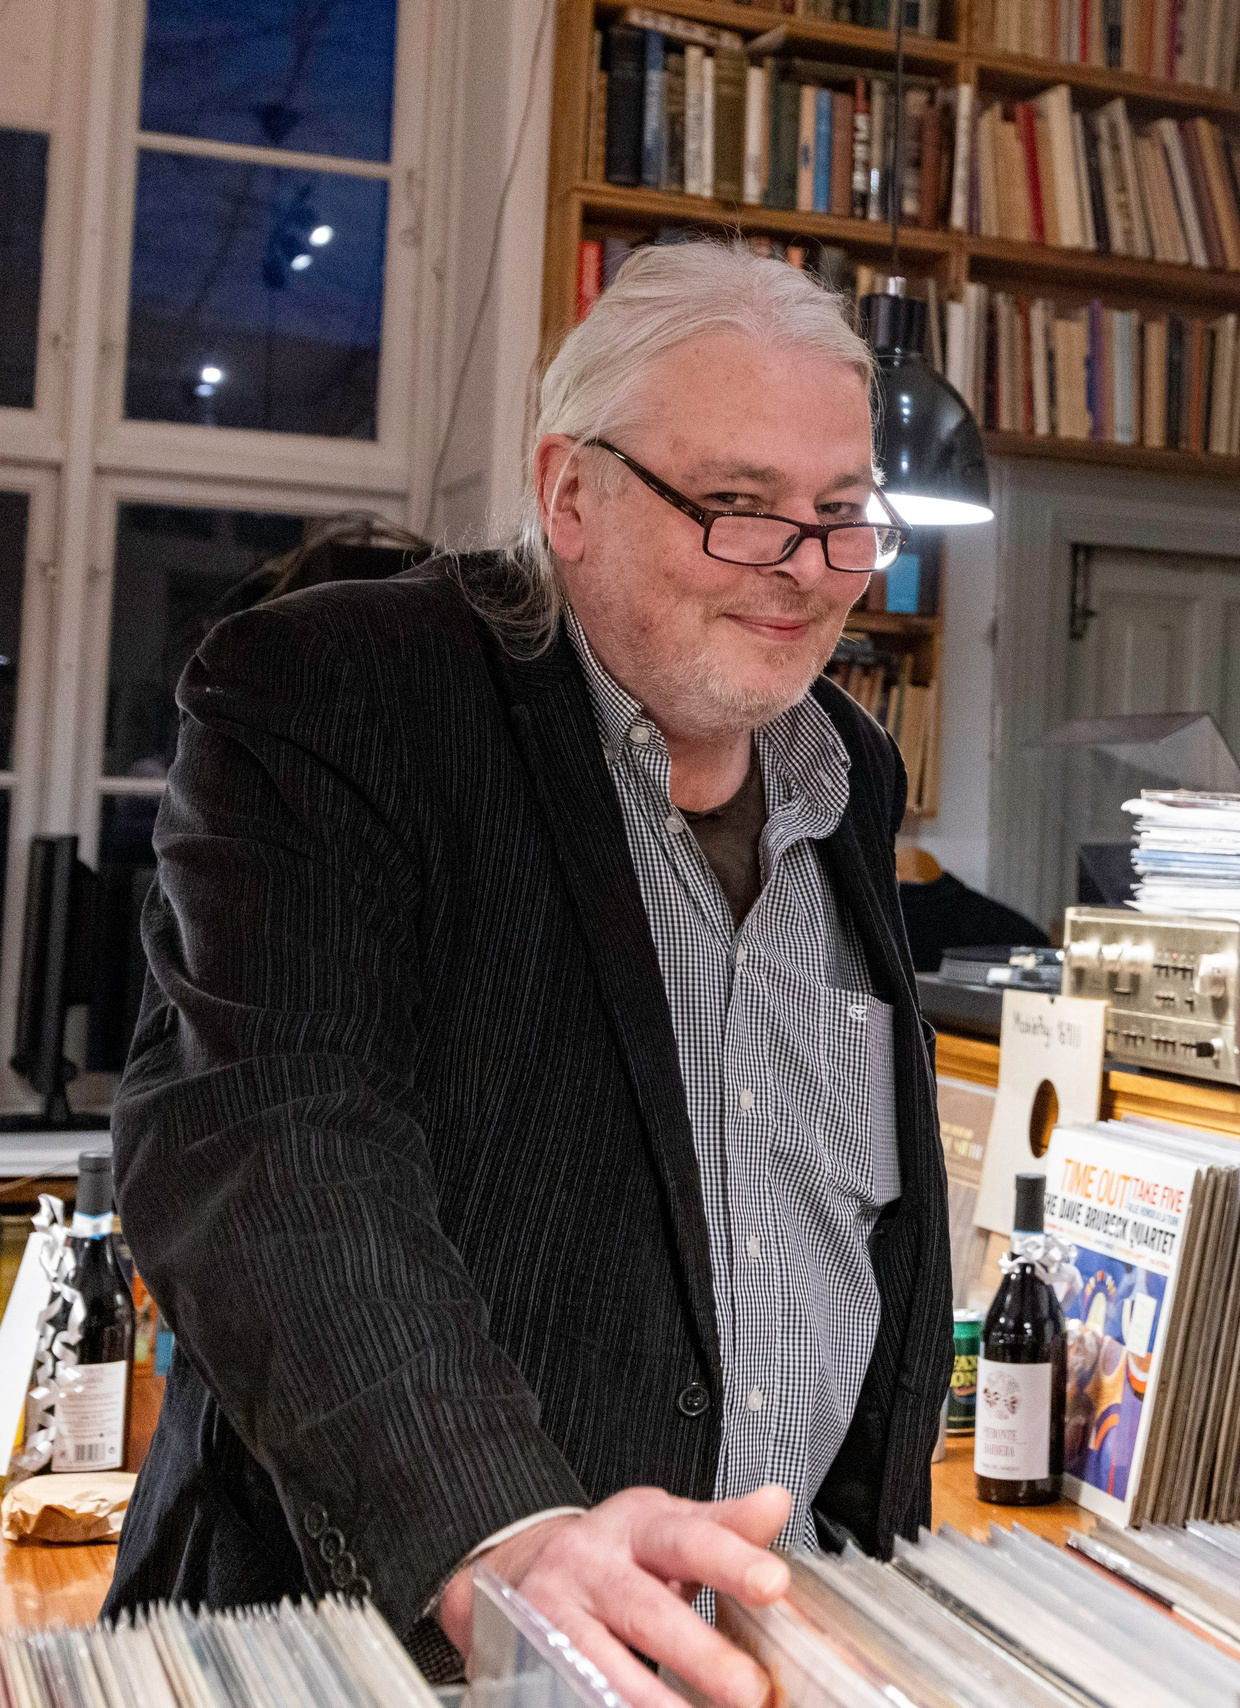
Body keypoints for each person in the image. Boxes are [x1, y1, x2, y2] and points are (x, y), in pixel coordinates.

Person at [105, 242, 950, 1708]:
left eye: (839, 516)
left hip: (768, 1651)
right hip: (400, 1657)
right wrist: (505, 1533)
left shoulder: (851, 775)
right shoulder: (345, 693)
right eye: (740, 509)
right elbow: (272, 1146)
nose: (809, 575)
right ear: (572, 491)